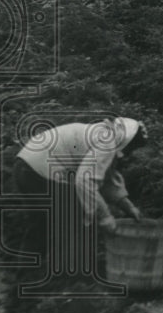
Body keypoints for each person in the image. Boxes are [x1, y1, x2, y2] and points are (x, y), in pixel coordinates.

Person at [12, 117, 147, 288]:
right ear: (129, 140)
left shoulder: (103, 135)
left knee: (40, 223)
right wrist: (105, 217)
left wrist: (128, 206)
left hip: (25, 166)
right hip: (41, 170)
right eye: (133, 148)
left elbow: (106, 179)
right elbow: (85, 181)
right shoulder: (107, 143)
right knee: (74, 221)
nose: (131, 153)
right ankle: (68, 280)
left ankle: (25, 278)